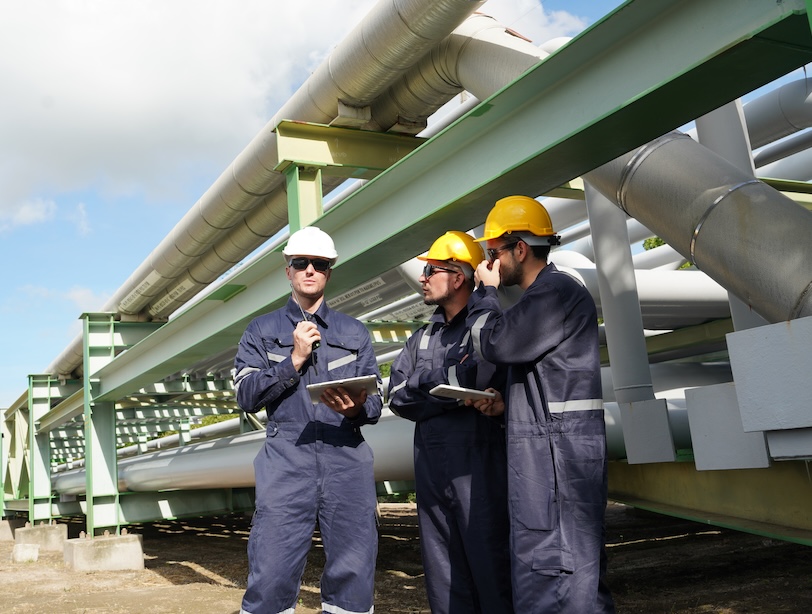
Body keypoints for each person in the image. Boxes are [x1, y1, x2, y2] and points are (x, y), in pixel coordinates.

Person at [466, 196, 615, 614]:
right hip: (549, 448)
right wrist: (506, 406)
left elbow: (494, 343)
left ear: (520, 248)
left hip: (556, 456)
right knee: (559, 573)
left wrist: (485, 293)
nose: (489, 263)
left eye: (493, 253)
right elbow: (541, 377)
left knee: (557, 573)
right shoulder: (544, 297)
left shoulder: (554, 293)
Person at [233, 226, 382, 614]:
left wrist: (355, 408)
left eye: (319, 264)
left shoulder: (354, 332)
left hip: (346, 459)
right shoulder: (260, 331)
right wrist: (294, 360)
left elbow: (376, 403)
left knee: (354, 572)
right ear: (288, 270)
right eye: (301, 263)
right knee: (271, 574)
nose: (310, 270)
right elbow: (246, 396)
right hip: (286, 460)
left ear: (329, 271)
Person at [388, 231, 513, 614]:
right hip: (431, 471)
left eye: (430, 270)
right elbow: (397, 397)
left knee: (491, 566)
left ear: (458, 277)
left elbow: (480, 374)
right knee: (442, 573)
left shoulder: (490, 323)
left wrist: (427, 387)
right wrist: (443, 388)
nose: (422, 277)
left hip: (479, 470)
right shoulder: (422, 337)